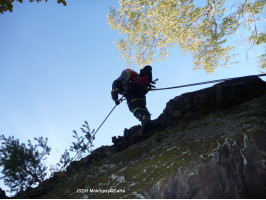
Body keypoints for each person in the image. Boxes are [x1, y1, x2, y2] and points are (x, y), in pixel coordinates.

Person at [111, 65, 154, 134]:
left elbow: (114, 92)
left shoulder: (117, 81)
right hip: (140, 90)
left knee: (134, 108)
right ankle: (148, 120)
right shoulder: (132, 76)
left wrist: (116, 101)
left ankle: (144, 119)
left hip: (130, 91)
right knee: (142, 106)